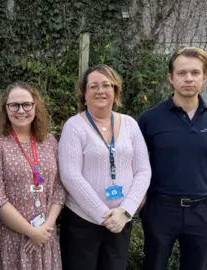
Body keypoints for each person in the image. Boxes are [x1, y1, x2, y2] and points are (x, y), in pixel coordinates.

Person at [138, 47, 207, 270]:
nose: (188, 78)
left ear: (205, 77)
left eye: (195, 73)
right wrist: (141, 208)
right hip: (161, 210)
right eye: (181, 73)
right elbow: (138, 169)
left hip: (203, 212)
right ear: (170, 78)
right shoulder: (150, 119)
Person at [58, 64, 151, 270]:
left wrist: (125, 211)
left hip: (121, 223)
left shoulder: (130, 124)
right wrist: (104, 215)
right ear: (84, 94)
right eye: (93, 86)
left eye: (106, 85)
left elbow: (143, 170)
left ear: (115, 91)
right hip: (82, 224)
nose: (100, 90)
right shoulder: (74, 126)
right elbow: (70, 175)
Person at [0, 82, 66, 270]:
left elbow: (60, 187)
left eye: (27, 104)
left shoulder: (49, 141)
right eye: (14, 105)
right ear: (5, 108)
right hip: (12, 239)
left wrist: (45, 230)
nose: (21, 110)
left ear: (36, 107)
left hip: (45, 238)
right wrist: (30, 232)